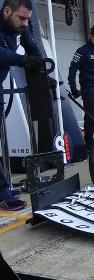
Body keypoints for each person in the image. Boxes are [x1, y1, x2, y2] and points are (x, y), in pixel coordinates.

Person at [0, 0, 42, 210]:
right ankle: (3, 193)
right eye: (22, 18)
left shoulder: (21, 27)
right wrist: (24, 60)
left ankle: (3, 190)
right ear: (7, 11)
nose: (26, 23)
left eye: (28, 19)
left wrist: (42, 72)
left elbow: (34, 49)